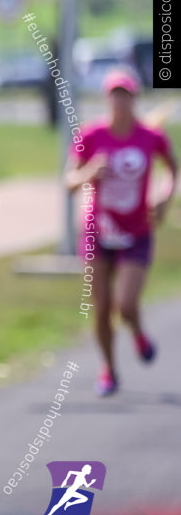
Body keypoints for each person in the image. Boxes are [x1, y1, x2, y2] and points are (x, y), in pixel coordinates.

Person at [65, 67, 177, 396]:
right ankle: (109, 369)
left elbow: (173, 168)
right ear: (107, 99)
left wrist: (165, 197)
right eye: (115, 95)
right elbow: (68, 181)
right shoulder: (91, 135)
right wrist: (88, 172)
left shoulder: (150, 137)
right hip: (98, 231)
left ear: (134, 99)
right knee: (101, 307)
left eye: (126, 96)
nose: (120, 102)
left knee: (125, 304)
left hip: (137, 230)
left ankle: (138, 332)